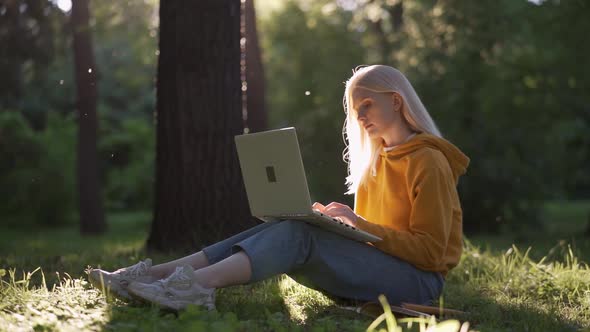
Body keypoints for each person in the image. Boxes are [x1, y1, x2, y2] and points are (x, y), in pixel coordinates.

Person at [87, 64, 470, 312]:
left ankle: (194, 288)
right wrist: (341, 225)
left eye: (367, 105)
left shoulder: (428, 161)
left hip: (419, 286)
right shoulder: (378, 162)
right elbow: (381, 235)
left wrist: (358, 224)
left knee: (299, 234)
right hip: (384, 272)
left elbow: (432, 253)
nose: (361, 116)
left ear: (397, 101)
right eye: (356, 111)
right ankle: (151, 277)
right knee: (287, 225)